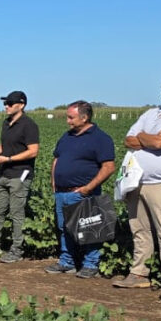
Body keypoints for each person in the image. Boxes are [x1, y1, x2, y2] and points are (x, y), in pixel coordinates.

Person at [115, 77, 161, 297]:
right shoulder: (150, 113)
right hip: (137, 182)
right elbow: (128, 140)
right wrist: (145, 137)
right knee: (139, 229)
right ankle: (139, 274)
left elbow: (160, 144)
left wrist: (144, 137)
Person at [45, 101, 116, 278]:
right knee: (64, 228)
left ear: (84, 118)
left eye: (71, 117)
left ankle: (90, 264)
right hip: (62, 191)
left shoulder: (100, 138)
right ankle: (67, 261)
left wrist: (88, 188)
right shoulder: (67, 136)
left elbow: (108, 167)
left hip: (82, 192)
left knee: (89, 229)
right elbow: (57, 158)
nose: (68, 121)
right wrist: (54, 179)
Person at [0, 90, 40, 263]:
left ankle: (16, 250)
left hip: (20, 174)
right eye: (5, 103)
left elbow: (33, 151)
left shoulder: (29, 125)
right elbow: (4, 144)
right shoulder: (6, 123)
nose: (6, 106)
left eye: (10, 103)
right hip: (3, 172)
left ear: (22, 105)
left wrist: (9, 158)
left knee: (17, 213)